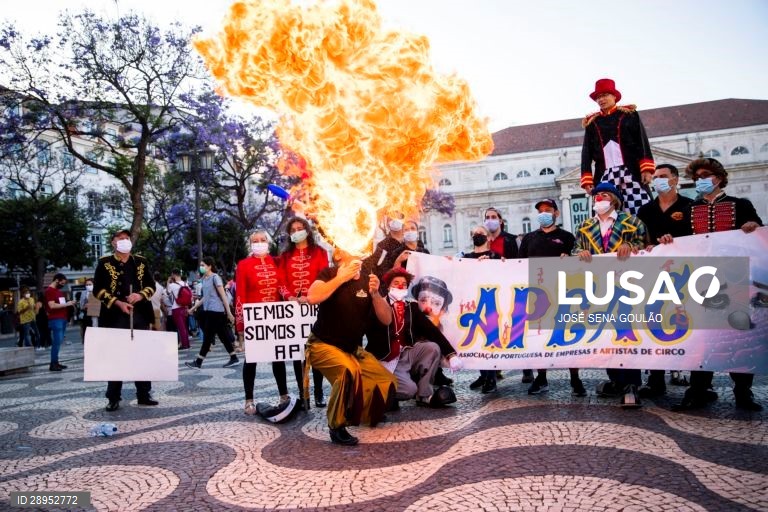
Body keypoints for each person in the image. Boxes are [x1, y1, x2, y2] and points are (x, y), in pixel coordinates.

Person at [674, 157, 763, 412]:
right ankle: (699, 389)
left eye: (705, 175)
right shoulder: (689, 209)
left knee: (738, 334)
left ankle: (743, 392)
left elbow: (758, 232)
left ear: (719, 177)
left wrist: (753, 226)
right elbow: (679, 241)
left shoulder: (740, 204)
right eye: (697, 176)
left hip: (734, 275)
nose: (700, 180)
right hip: (700, 277)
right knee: (702, 336)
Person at [306, 248, 397, 446]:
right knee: (347, 373)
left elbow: (387, 318)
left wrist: (375, 295)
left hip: (352, 350)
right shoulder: (329, 273)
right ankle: (336, 426)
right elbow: (312, 297)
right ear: (338, 256)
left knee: (384, 381)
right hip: (322, 345)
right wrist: (341, 278)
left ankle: (364, 412)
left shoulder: (369, 279)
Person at [573, 182, 649, 408]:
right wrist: (581, 252)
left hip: (628, 285)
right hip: (598, 287)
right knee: (605, 335)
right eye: (596, 196)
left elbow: (647, 245)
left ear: (614, 199)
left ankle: (631, 385)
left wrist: (631, 245)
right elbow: (575, 250)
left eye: (604, 195)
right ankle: (616, 379)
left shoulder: (632, 222)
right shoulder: (586, 226)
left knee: (626, 333)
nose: (599, 199)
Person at [636, 164, 694, 398]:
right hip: (654, 274)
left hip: (685, 273)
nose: (658, 180)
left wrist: (676, 241)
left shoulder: (690, 206)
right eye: (655, 177)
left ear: (675, 180)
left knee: (686, 321)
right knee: (656, 322)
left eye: (663, 177)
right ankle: (656, 379)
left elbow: (699, 237)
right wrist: (647, 245)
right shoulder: (645, 210)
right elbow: (640, 238)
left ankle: (691, 374)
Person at [519, 198, 586, 397]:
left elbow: (577, 260)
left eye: (548, 210)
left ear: (556, 213)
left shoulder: (567, 236)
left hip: (563, 292)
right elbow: (518, 264)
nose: (544, 213)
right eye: (540, 210)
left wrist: (570, 258)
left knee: (568, 335)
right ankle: (541, 378)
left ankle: (575, 379)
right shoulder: (529, 238)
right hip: (537, 295)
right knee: (539, 337)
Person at [366, 268, 462, 407]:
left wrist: (450, 354)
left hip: (406, 353)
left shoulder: (411, 307)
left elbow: (431, 331)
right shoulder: (378, 303)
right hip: (385, 357)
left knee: (432, 347)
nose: (400, 286)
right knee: (408, 390)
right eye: (396, 283)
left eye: (404, 284)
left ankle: (424, 395)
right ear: (388, 286)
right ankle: (383, 391)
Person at [93, 229, 157, 411]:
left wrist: (140, 295)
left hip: (140, 314)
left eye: (127, 238)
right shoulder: (105, 263)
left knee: (142, 356)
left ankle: (144, 394)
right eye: (120, 238)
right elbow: (97, 290)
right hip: (115, 316)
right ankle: (113, 397)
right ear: (113, 242)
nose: (124, 241)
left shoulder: (141, 262)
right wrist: (118, 303)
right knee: (116, 357)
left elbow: (151, 286)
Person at [581, 78, 655, 215]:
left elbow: (642, 141)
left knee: (642, 208)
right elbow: (586, 152)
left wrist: (646, 169)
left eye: (604, 95)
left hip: (631, 170)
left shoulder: (629, 115)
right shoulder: (592, 122)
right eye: (598, 97)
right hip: (605, 173)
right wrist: (587, 179)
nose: (601, 100)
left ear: (614, 96)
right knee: (604, 211)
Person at [276, 217, 329, 407]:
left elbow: (324, 276)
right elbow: (280, 281)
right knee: (297, 353)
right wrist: (289, 296)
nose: (297, 231)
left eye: (300, 228)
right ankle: (302, 391)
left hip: (315, 307)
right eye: (293, 229)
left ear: (307, 230)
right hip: (293, 309)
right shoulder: (285, 256)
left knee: (315, 351)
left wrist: (310, 295)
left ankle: (318, 392)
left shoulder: (320, 252)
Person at [236, 230, 283, 415]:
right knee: (251, 360)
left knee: (278, 357)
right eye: (255, 241)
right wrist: (241, 324)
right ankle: (249, 399)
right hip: (254, 319)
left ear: (268, 242)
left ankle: (284, 395)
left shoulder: (277, 262)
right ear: (250, 244)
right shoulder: (243, 265)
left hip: (276, 316)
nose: (259, 243)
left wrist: (292, 299)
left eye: (262, 240)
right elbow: (240, 294)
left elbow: (282, 286)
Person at [461, 225, 503, 393]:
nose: (478, 236)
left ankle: (491, 377)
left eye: (481, 233)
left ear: (488, 237)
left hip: (492, 304)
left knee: (490, 339)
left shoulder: (495, 256)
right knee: (477, 340)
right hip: (473, 304)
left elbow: (504, 275)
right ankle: (483, 374)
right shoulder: (466, 257)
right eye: (475, 234)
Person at [186, 257, 239, 370]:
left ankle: (199, 362)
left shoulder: (216, 278)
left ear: (209, 266)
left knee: (208, 336)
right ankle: (234, 357)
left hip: (216, 311)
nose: (201, 267)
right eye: (201, 265)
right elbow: (205, 297)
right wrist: (193, 308)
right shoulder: (205, 279)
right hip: (209, 310)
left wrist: (229, 312)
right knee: (223, 336)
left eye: (203, 265)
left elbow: (223, 296)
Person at [44, 273, 75, 371]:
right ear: (57, 280)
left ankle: (56, 362)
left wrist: (68, 305)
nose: (63, 285)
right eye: (62, 282)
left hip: (62, 318)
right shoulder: (49, 291)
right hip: (56, 318)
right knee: (57, 341)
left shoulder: (57, 291)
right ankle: (53, 363)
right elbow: (52, 305)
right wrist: (67, 304)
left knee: (59, 341)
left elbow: (61, 304)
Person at [167, 269, 191, 349]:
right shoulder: (185, 284)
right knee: (184, 326)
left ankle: (184, 344)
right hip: (184, 307)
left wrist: (168, 282)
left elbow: (168, 293)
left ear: (173, 275)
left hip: (176, 308)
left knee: (181, 328)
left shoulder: (172, 285)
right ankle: (187, 343)